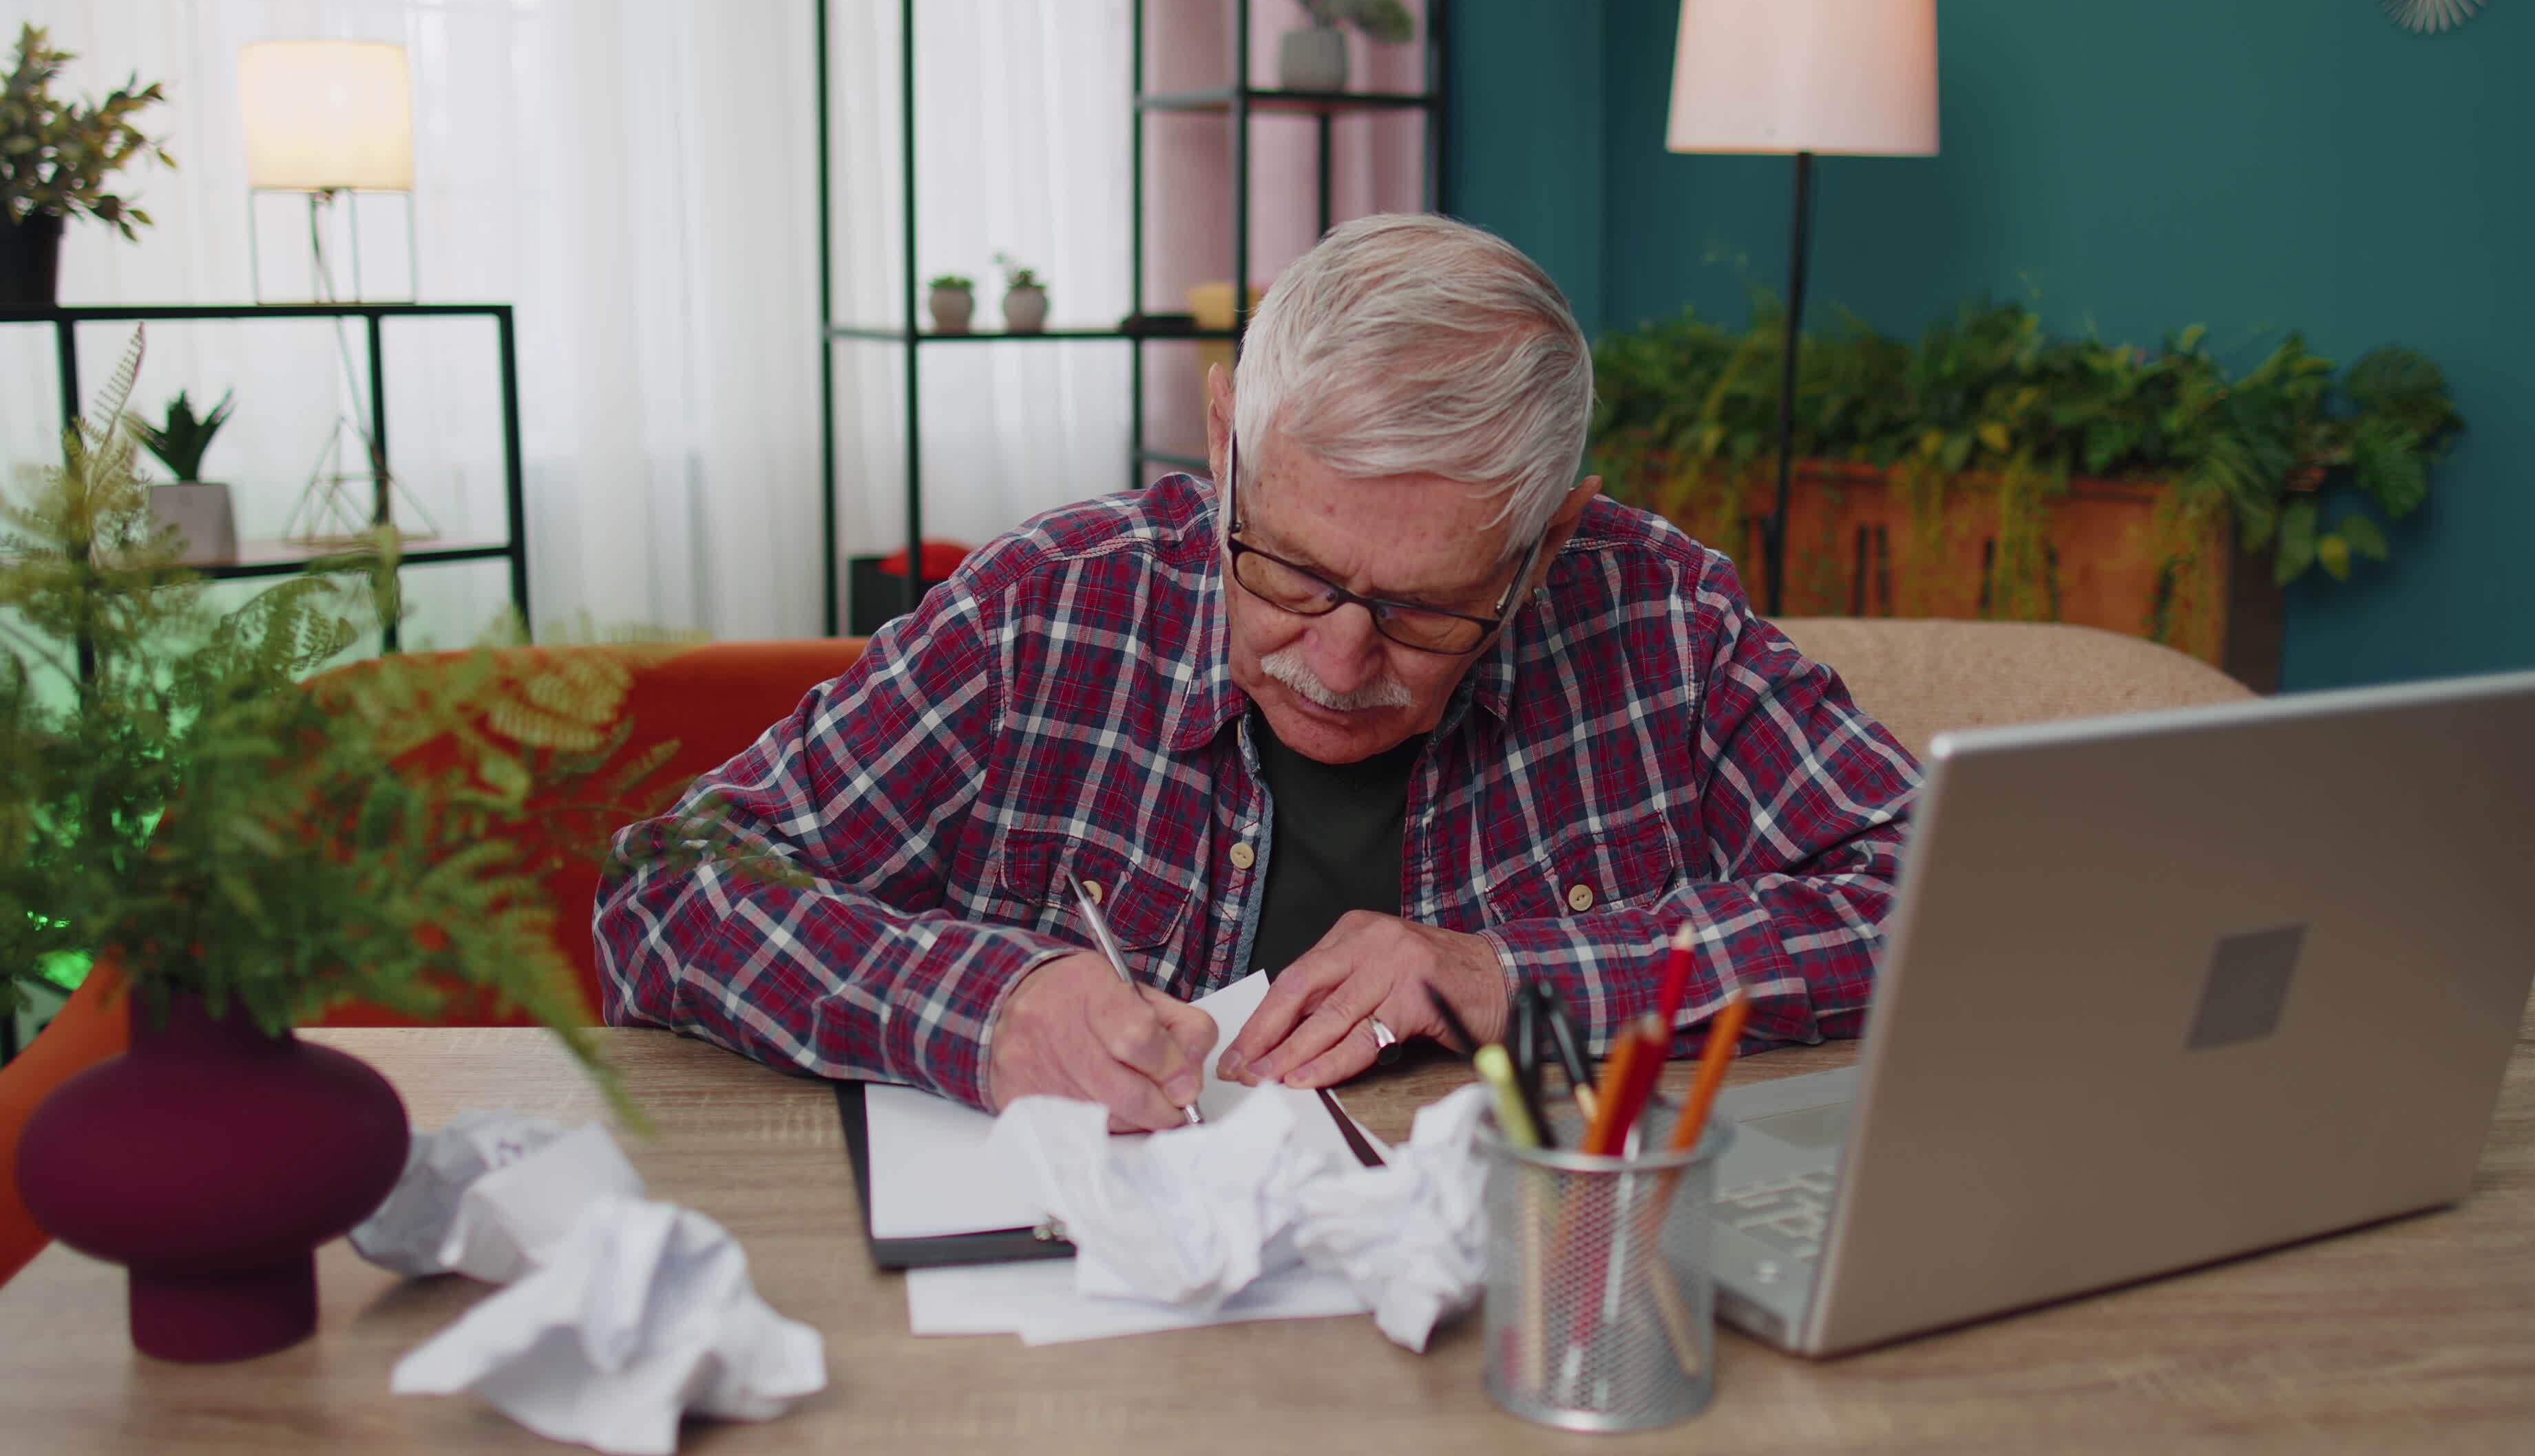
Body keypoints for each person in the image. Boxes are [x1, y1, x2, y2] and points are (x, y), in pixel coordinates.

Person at [594, 213, 1919, 1131]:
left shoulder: (1658, 617)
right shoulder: (1044, 611)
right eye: (1288, 569)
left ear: (1547, 544)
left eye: (1426, 609)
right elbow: (665, 893)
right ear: (1224, 438)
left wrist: (1511, 977)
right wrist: (988, 1008)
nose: (1338, 662)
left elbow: (1934, 899)